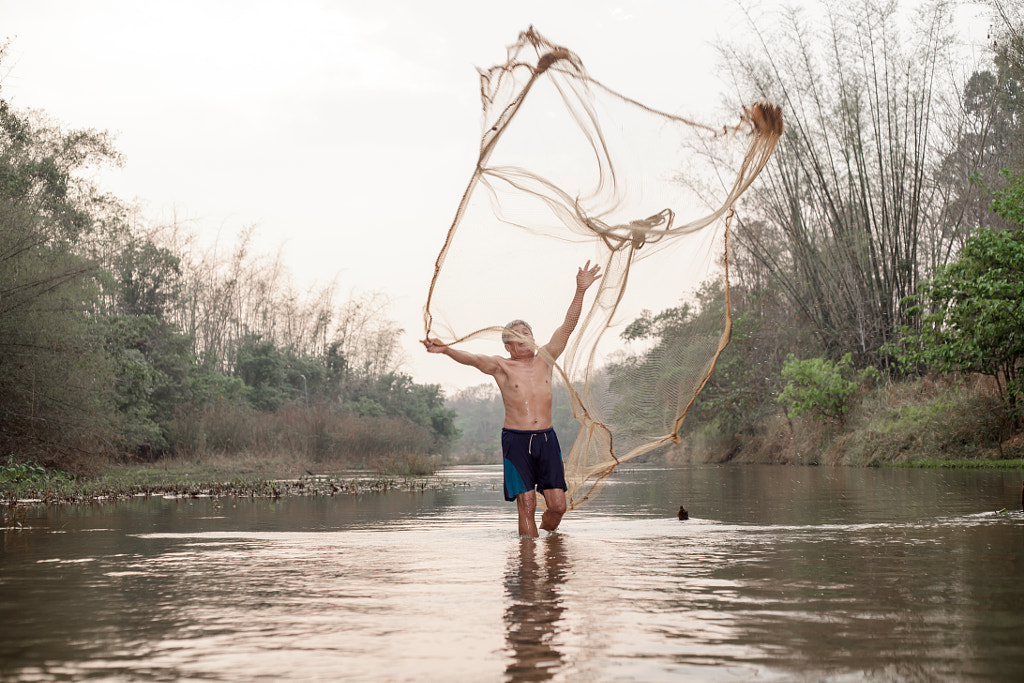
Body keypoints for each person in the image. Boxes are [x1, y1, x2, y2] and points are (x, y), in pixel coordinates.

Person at [422, 261, 601, 537]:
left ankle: (550, 545)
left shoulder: (546, 358)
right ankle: (528, 567)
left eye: (527, 334)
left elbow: (567, 327)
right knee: (527, 504)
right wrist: (445, 350)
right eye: (518, 337)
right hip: (516, 441)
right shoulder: (501, 366)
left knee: (558, 506)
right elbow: (471, 359)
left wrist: (580, 290)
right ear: (508, 346)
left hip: (546, 440)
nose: (525, 339)